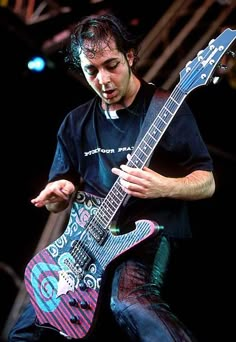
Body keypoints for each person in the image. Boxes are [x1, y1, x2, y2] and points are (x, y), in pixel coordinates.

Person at [8, 13, 215, 342]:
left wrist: (165, 186)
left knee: (128, 303)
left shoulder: (165, 108)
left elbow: (207, 182)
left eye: (111, 64)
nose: (103, 78)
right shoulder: (74, 124)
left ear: (130, 56)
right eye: (91, 70)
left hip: (144, 237)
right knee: (25, 330)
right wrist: (59, 191)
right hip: (83, 245)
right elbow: (59, 197)